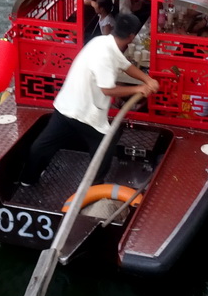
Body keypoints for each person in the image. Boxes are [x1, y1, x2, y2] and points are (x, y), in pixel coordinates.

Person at [18, 11, 159, 187]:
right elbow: (107, 90)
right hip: (85, 112)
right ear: (131, 36)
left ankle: (27, 178)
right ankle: (95, 184)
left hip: (66, 105)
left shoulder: (101, 41)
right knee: (104, 147)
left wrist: (147, 80)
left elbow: (125, 65)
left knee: (44, 144)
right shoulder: (105, 56)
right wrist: (139, 88)